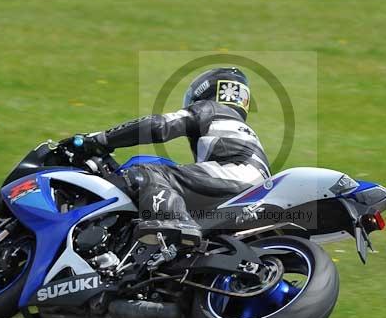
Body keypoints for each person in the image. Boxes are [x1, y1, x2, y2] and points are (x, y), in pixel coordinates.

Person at [60, 67, 270, 248]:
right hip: (254, 188)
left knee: (146, 171)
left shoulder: (211, 109)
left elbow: (157, 126)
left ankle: (176, 223)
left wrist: (100, 140)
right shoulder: (241, 129)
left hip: (234, 175)